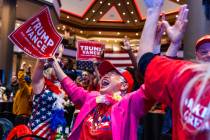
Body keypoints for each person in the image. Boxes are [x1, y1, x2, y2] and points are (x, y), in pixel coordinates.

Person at [137, 0, 210, 139]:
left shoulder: (185, 74)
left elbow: (145, 62)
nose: (209, 54)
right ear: (196, 56)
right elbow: (149, 67)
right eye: (204, 51)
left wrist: (153, 10)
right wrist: (175, 43)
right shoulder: (187, 75)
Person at [51, 55, 153, 140]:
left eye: (112, 74)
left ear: (124, 85)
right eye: (105, 74)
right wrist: (54, 64)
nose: (105, 76)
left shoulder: (129, 104)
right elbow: (72, 88)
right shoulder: (92, 97)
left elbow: (150, 87)